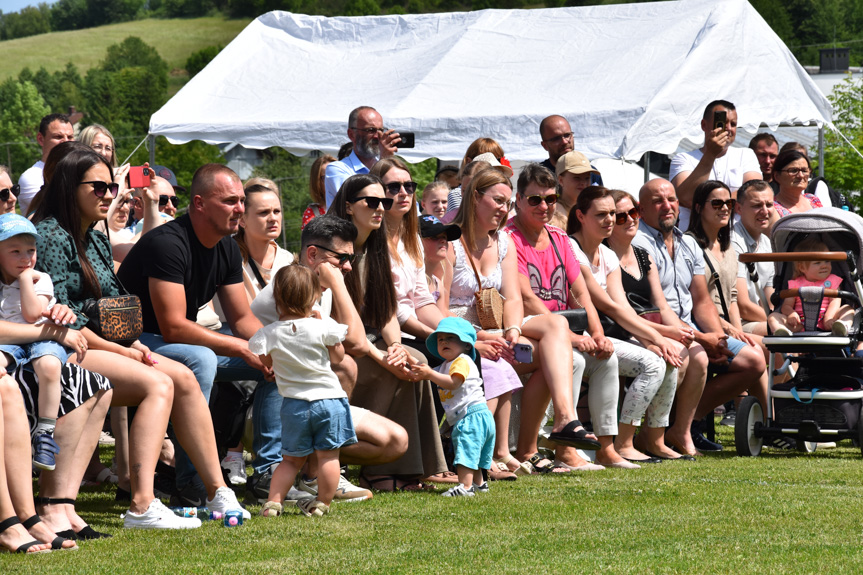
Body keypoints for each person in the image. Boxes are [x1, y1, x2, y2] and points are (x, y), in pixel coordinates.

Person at [32, 145, 240, 529]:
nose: (110, 195)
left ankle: (217, 490)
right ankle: (142, 504)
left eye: (112, 186)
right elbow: (57, 313)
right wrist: (119, 344)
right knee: (158, 384)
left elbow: (116, 300)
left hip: (103, 343)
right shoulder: (49, 236)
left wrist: (133, 342)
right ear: (68, 186)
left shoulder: (93, 238)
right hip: (62, 347)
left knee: (184, 377)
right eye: (98, 187)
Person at [116, 164, 272, 510]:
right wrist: (240, 348)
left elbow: (242, 317)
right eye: (230, 201)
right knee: (199, 358)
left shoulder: (228, 248)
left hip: (176, 342)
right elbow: (172, 326)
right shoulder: (167, 244)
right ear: (199, 203)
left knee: (278, 362)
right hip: (135, 342)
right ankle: (192, 484)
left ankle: (269, 472)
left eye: (242, 201)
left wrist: (276, 348)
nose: (240, 209)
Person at [448, 166, 600, 467]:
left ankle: (560, 425)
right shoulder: (450, 241)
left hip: (501, 325)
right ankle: (526, 447)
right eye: (497, 201)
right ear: (475, 198)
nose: (503, 209)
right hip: (461, 332)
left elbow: (514, 298)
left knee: (557, 327)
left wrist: (514, 330)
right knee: (560, 353)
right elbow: (438, 307)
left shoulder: (502, 242)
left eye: (506, 203)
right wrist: (483, 336)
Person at [250, 215, 410, 496]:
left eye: (352, 258)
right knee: (347, 364)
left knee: (395, 441)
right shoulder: (286, 290)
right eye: (341, 259)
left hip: (315, 405)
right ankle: (314, 472)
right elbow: (357, 343)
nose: (347, 267)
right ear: (313, 254)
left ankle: (316, 470)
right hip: (280, 410)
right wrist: (337, 284)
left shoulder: (313, 286)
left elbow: (354, 343)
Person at [329, 174, 448, 491]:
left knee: (413, 358)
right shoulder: (333, 247)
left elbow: (386, 311)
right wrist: (382, 357)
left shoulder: (375, 247)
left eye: (384, 201)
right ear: (349, 207)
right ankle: (383, 472)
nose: (382, 207)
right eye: (372, 201)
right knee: (396, 368)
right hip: (334, 349)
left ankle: (418, 468)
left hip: (365, 341)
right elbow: (345, 331)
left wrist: (395, 346)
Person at [633, 178, 766, 455]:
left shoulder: (686, 243)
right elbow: (659, 309)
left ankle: (683, 423)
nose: (667, 206)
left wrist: (717, 336)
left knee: (754, 359)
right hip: (656, 327)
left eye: (671, 199)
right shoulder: (639, 242)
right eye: (658, 201)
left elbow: (702, 299)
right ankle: (676, 430)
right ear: (641, 208)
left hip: (690, 326)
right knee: (699, 355)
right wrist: (705, 339)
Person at [567, 186, 684, 464]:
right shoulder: (573, 248)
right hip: (577, 335)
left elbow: (622, 309)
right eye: (603, 215)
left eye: (612, 214)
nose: (609, 220)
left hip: (604, 336)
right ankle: (624, 442)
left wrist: (657, 339)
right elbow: (605, 305)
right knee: (653, 363)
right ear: (581, 216)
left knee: (666, 358)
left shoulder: (606, 255)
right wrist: (658, 337)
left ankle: (654, 439)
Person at [606, 189, 707, 459]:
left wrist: (681, 333)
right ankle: (630, 439)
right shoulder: (605, 255)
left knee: (681, 352)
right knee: (665, 357)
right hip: (618, 330)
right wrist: (663, 336)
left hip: (642, 329)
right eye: (620, 216)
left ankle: (655, 437)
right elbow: (621, 314)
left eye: (633, 212)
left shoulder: (642, 255)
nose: (630, 219)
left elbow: (661, 306)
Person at [253, 264, 353, 518]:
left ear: (277, 299)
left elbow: (265, 361)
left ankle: (273, 503)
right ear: (314, 298)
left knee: (289, 460)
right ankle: (322, 504)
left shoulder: (269, 333)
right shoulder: (322, 327)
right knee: (328, 458)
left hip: (294, 405)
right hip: (329, 400)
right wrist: (325, 328)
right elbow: (339, 357)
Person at [0, 214, 84, 472]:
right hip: (13, 341)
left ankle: (44, 433)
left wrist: (25, 280)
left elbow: (33, 314)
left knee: (48, 365)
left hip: (42, 337)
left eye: (31, 251)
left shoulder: (40, 279)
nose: (26, 258)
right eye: (15, 251)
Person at [411, 318, 494, 497]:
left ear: (466, 346)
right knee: (475, 454)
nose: (444, 342)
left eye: (451, 337)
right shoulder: (445, 366)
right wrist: (409, 358)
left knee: (465, 453)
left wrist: (429, 374)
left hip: (471, 415)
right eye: (440, 339)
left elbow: (454, 383)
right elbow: (425, 369)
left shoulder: (461, 361)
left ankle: (465, 487)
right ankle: (479, 484)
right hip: (477, 415)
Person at [669, 100, 761, 230]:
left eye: (733, 124)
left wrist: (708, 203)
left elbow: (754, 194)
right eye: (723, 123)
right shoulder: (683, 159)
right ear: (704, 125)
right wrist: (710, 155)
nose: (728, 128)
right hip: (694, 239)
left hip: (736, 238)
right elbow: (687, 198)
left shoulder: (746, 155)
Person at [768, 238, 853, 336]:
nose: (824, 266)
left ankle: (843, 326)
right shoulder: (795, 283)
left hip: (829, 321)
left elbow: (835, 302)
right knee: (773, 316)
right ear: (802, 267)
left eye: (827, 261)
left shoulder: (833, 280)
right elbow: (786, 306)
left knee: (848, 308)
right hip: (799, 324)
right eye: (817, 263)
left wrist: (828, 318)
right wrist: (791, 313)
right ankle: (781, 331)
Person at [324, 106, 401, 209]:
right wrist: (384, 162)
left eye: (381, 130)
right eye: (371, 130)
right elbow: (362, 203)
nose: (377, 136)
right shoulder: (337, 169)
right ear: (351, 134)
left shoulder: (387, 166)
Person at [732, 180, 776, 335]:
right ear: (738, 208)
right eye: (757, 205)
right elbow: (743, 306)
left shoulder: (767, 244)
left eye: (769, 205)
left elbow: (770, 297)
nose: (765, 211)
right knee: (784, 337)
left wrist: (778, 316)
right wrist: (777, 320)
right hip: (736, 322)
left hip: (759, 318)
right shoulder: (732, 241)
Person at [18, 113, 75, 215]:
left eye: (70, 137)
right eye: (58, 136)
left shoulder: (80, 171)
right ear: (40, 139)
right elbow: (57, 213)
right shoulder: (31, 177)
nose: (66, 142)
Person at [540, 115, 603, 185]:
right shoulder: (536, 176)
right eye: (556, 139)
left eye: (567, 135)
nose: (564, 142)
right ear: (545, 145)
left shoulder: (590, 172)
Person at [552, 150, 601, 229]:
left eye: (587, 178)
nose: (583, 183)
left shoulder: (590, 208)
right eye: (577, 178)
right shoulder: (554, 213)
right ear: (560, 180)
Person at [772, 150, 821, 218]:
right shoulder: (771, 208)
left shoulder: (813, 200)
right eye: (793, 171)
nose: (800, 175)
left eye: (804, 171)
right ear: (777, 176)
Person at [303, 154, 335, 229]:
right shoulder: (313, 213)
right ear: (317, 183)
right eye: (325, 177)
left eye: (334, 175)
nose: (331, 180)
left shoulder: (354, 204)